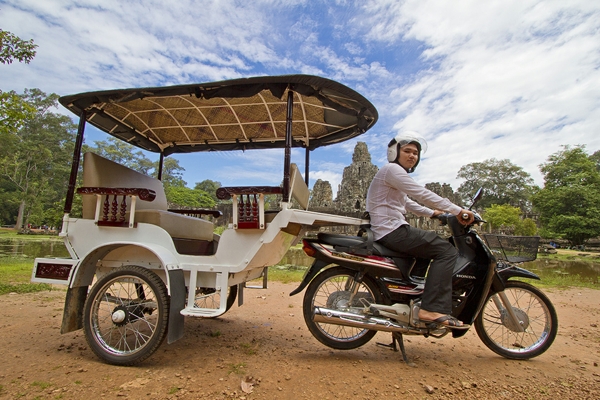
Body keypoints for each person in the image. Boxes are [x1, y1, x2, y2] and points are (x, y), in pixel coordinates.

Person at [366, 131, 475, 329]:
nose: (412, 156)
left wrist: (433, 214)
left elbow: (407, 202)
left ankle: (411, 297)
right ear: (394, 152)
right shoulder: (392, 169)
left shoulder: (394, 175)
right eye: (407, 151)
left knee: (426, 250)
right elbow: (420, 193)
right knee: (446, 251)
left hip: (390, 229)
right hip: (392, 230)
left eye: (415, 153)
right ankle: (431, 308)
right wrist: (458, 210)